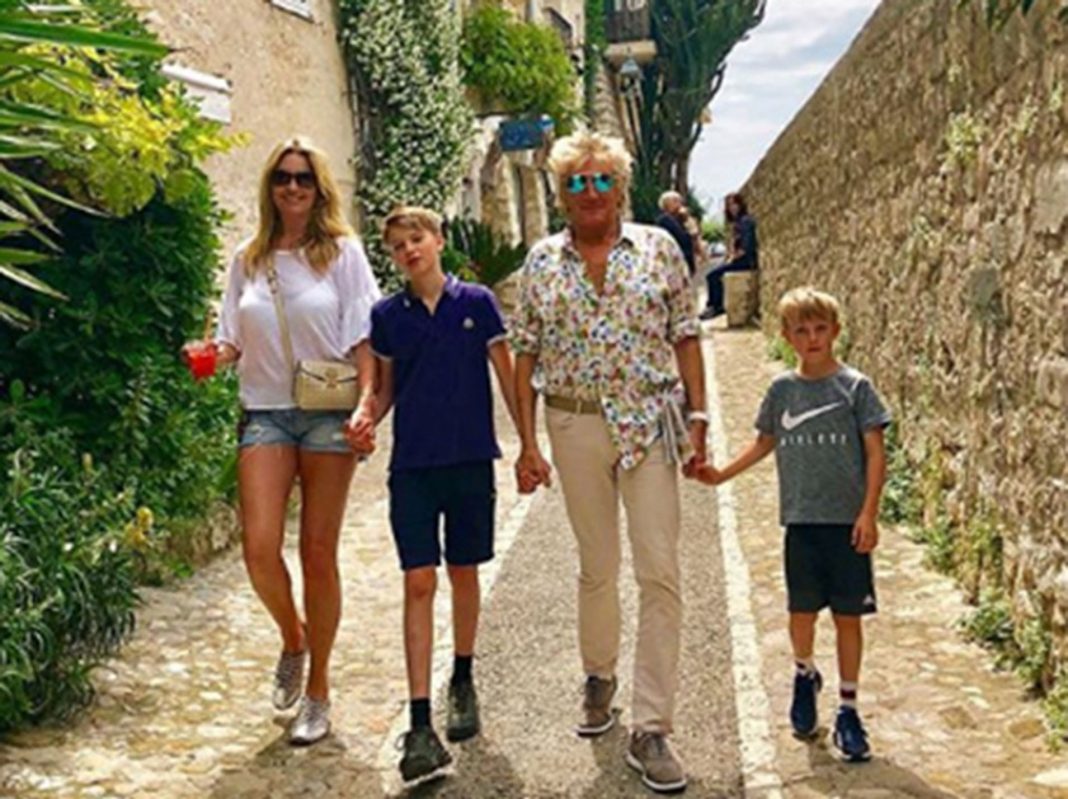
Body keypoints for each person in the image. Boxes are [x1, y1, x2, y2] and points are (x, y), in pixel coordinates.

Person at [512, 132, 707, 794]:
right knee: (596, 564)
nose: (589, 193)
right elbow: (524, 353)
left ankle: (652, 726)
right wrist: (527, 441)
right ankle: (598, 675)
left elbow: (686, 334)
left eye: (601, 181)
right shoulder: (541, 261)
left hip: (649, 419)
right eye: (576, 182)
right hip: (573, 420)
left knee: (660, 568)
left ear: (621, 187)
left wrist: (700, 417)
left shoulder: (658, 248)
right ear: (560, 192)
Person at [181, 137, 381, 745]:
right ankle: (294, 639)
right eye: (282, 178)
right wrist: (212, 354)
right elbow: (232, 335)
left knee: (319, 553)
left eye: (303, 179)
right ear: (270, 187)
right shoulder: (249, 256)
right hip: (265, 410)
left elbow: (362, 339)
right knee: (259, 548)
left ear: (320, 189)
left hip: (327, 410)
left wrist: (368, 404)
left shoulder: (343, 254)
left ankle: (319, 689)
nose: (292, 188)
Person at [346, 207, 520, 784]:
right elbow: (386, 388)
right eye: (396, 246)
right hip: (413, 467)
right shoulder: (386, 315)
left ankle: (462, 678)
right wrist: (367, 417)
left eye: (415, 239)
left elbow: (507, 373)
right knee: (418, 580)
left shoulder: (476, 303)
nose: (408, 251)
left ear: (438, 240)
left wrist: (530, 447)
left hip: (470, 460)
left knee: (464, 571)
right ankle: (420, 721)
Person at [696, 287, 890, 763]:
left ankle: (848, 708)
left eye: (820, 328)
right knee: (800, 614)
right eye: (801, 330)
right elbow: (764, 443)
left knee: (848, 618)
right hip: (801, 523)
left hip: (846, 525)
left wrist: (869, 512)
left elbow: (874, 453)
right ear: (786, 336)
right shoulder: (782, 390)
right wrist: (721, 474)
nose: (812, 338)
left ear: (835, 331)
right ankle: (804, 674)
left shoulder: (856, 387)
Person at [701, 191, 758, 319]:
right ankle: (714, 306)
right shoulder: (738, 223)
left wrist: (733, 257)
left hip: (746, 262)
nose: (732, 207)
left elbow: (747, 246)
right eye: (729, 205)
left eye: (734, 204)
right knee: (714, 274)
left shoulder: (745, 221)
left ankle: (716, 306)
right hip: (741, 260)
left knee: (712, 276)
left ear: (740, 205)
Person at [655, 190, 696, 275]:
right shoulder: (665, 219)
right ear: (666, 204)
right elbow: (683, 238)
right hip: (674, 262)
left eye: (680, 201)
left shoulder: (680, 220)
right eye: (675, 201)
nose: (679, 204)